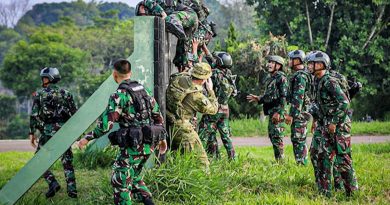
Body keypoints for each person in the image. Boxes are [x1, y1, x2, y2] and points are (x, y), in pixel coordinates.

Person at [78, 59, 167, 205]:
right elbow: (158, 117)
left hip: (133, 145)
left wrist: (86, 138)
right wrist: (162, 139)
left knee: (120, 181)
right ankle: (148, 200)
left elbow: (105, 126)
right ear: (130, 73)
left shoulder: (118, 96)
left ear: (114, 75)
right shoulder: (145, 90)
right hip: (149, 144)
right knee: (134, 175)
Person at [307, 51, 358, 197]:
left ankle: (352, 193)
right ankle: (325, 192)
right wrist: (316, 121)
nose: (309, 66)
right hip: (326, 124)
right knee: (321, 156)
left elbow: (344, 103)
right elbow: (319, 104)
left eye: (312, 63)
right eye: (309, 63)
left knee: (343, 159)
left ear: (321, 64)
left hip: (340, 125)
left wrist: (334, 122)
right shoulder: (317, 80)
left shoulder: (330, 81)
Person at [29, 67, 78, 198]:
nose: (42, 80)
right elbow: (75, 114)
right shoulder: (66, 93)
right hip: (64, 132)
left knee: (38, 160)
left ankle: (52, 182)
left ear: (49, 79)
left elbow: (34, 115)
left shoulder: (39, 94)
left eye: (44, 77)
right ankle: (72, 192)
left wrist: (32, 133)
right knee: (67, 162)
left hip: (48, 132)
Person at [166, 62, 218, 167]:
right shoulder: (196, 95)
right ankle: (204, 181)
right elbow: (213, 110)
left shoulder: (179, 78)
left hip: (170, 124)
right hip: (184, 130)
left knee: (180, 161)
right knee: (202, 163)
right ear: (204, 79)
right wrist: (211, 91)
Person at [247, 55, 288, 161]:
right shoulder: (272, 78)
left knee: (277, 137)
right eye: (269, 62)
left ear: (278, 66)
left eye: (272, 62)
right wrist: (259, 99)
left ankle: (281, 163)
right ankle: (279, 161)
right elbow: (270, 96)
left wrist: (279, 112)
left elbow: (284, 96)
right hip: (272, 112)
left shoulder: (281, 78)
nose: (269, 64)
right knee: (273, 136)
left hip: (277, 112)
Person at [198, 52, 236, 160]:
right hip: (225, 110)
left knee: (202, 134)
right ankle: (232, 159)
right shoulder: (229, 74)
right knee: (226, 137)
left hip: (214, 109)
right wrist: (205, 50)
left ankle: (199, 158)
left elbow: (201, 72)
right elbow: (234, 93)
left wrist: (199, 59)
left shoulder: (214, 74)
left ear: (219, 62)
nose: (214, 61)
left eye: (216, 60)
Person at [284, 50, 312, 165]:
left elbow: (298, 98)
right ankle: (301, 162)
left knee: (299, 139)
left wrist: (292, 115)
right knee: (298, 138)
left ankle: (302, 163)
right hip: (300, 112)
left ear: (297, 61)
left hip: (300, 113)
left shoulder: (300, 76)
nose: (289, 62)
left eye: (291, 59)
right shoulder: (299, 75)